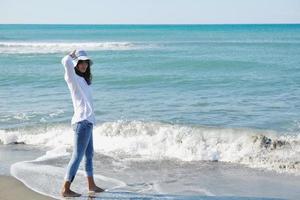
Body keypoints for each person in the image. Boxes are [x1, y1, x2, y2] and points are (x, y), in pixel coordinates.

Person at [60, 49, 104, 197]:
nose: (84, 65)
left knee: (89, 155)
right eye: (81, 62)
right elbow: (65, 62)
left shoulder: (85, 81)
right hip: (81, 122)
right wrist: (71, 56)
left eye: (86, 62)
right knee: (77, 156)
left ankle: (91, 185)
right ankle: (65, 188)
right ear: (76, 64)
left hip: (88, 122)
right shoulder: (72, 78)